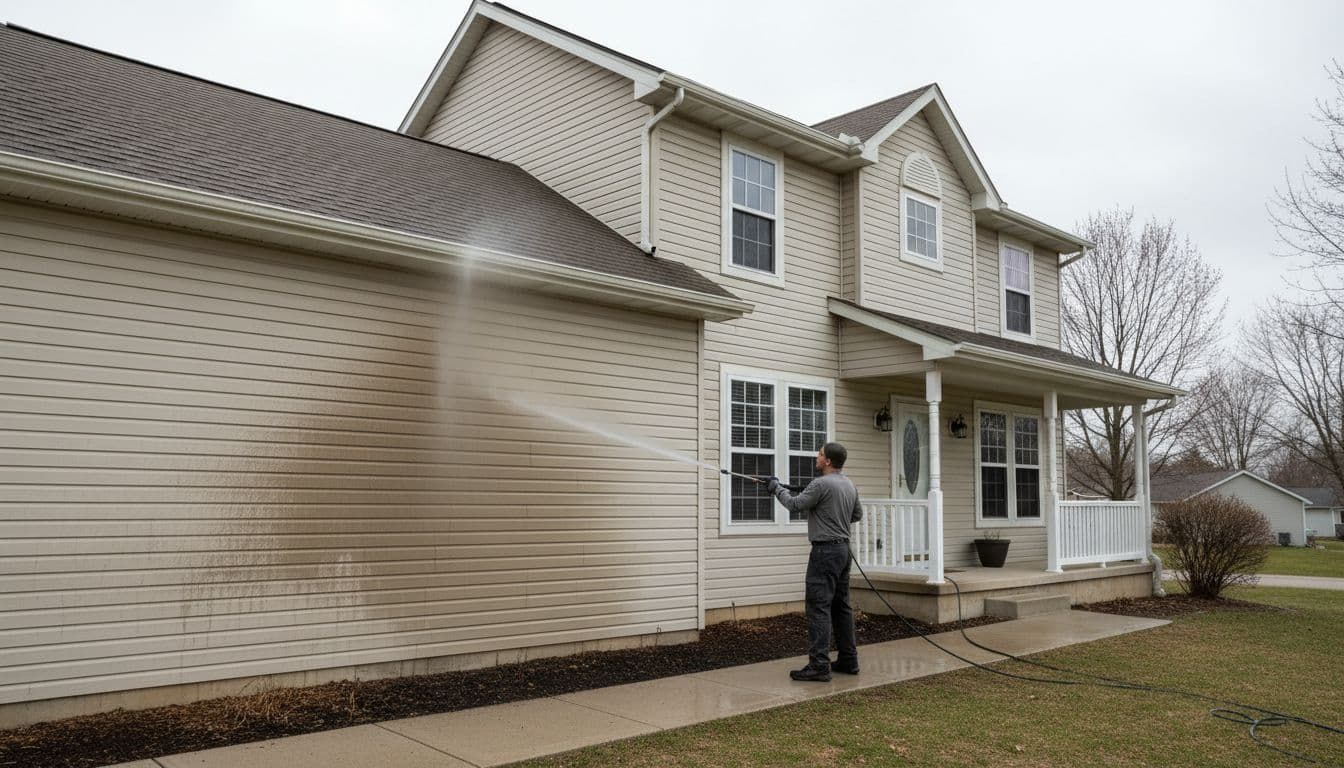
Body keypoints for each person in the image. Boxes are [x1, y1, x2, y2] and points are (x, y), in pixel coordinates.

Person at [765, 442, 863, 682]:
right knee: (842, 607)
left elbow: (795, 504)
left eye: (820, 454)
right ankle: (849, 660)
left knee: (818, 607)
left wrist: (776, 488)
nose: (816, 457)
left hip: (825, 553)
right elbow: (857, 514)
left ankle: (819, 665)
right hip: (843, 551)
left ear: (828, 461)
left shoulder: (821, 483)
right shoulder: (848, 483)